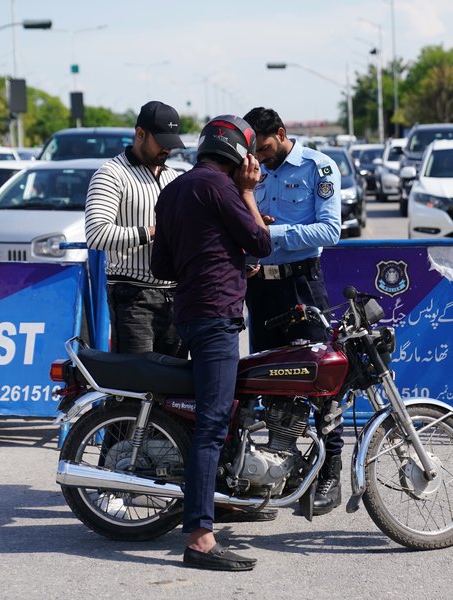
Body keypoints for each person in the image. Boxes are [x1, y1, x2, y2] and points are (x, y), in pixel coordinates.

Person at [151, 115, 272, 571]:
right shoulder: (223, 189)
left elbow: (162, 263)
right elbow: (261, 241)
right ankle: (200, 538)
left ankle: (222, 499)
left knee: (219, 413)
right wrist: (248, 194)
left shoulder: (174, 190)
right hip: (216, 316)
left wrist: (221, 259)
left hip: (188, 312)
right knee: (212, 423)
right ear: (239, 156)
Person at [242, 106, 344, 516]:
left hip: (302, 284)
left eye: (264, 147)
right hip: (260, 289)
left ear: (281, 134)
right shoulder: (252, 171)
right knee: (265, 382)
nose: (261, 157)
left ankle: (330, 471)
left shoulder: (318, 168)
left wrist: (272, 233)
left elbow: (330, 230)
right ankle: (274, 472)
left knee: (321, 380)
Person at [84, 100, 186, 356]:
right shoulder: (111, 174)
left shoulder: (174, 176)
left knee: (173, 388)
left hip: (176, 297)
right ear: (140, 133)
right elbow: (96, 234)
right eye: (161, 141)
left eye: (171, 143)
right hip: (133, 297)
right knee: (135, 389)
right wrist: (154, 231)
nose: (167, 149)